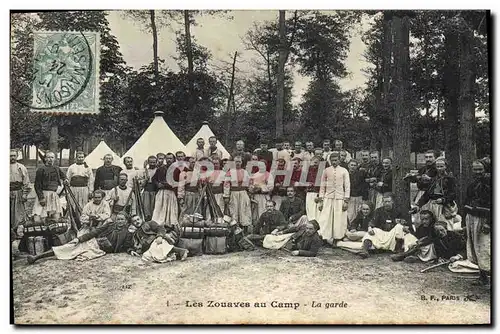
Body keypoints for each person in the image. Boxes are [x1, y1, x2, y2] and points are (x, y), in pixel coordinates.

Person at [27, 212, 133, 264]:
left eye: (122, 220)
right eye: (118, 219)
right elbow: (95, 232)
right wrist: (80, 239)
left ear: (126, 221)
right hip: (93, 242)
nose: (119, 221)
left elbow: (126, 246)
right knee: (68, 246)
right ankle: (37, 257)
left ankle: (38, 257)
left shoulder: (127, 232)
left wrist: (128, 250)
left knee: (72, 252)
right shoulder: (109, 225)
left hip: (99, 249)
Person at [464, 159, 491, 285]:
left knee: (485, 246)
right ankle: (483, 276)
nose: (478, 172)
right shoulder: (472, 184)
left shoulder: (490, 184)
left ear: (486, 169)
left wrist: (488, 223)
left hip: (484, 218)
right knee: (476, 246)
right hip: (472, 217)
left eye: (480, 169)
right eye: (475, 169)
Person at [317, 152, 350, 245]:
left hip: (340, 197)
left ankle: (337, 238)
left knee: (339, 218)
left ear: (339, 160)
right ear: (330, 161)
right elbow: (322, 186)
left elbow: (347, 186)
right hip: (328, 197)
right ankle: (324, 237)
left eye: (336, 160)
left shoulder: (344, 171)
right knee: (326, 218)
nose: (334, 162)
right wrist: (321, 200)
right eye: (332, 161)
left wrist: (346, 200)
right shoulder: (326, 170)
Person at [410, 157, 456, 222]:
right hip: (433, 205)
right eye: (438, 166)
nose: (439, 168)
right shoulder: (434, 179)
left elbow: (453, 194)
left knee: (444, 225)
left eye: (441, 166)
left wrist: (443, 199)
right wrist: (418, 205)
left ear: (445, 167)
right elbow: (427, 194)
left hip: (445, 206)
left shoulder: (449, 179)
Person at [33, 151, 68, 223]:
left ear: (54, 159)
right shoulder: (41, 170)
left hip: (54, 195)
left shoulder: (57, 168)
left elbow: (63, 176)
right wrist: (41, 198)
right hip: (44, 194)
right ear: (45, 159)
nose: (50, 159)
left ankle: (52, 232)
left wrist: (65, 179)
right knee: (40, 218)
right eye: (48, 157)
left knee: (56, 216)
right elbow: (37, 185)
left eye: (52, 157)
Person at [223, 156, 252, 233]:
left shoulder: (245, 172)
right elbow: (226, 185)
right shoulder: (229, 172)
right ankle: (234, 230)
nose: (238, 163)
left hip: (243, 193)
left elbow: (249, 183)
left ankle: (244, 230)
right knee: (234, 211)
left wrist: (250, 192)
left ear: (241, 162)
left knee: (244, 210)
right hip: (234, 193)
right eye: (236, 162)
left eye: (239, 161)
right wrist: (226, 196)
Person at [152, 153, 180, 225]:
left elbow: (178, 181)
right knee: (160, 208)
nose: (169, 160)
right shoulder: (160, 169)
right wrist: (158, 184)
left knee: (171, 209)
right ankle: (158, 224)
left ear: (174, 159)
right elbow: (154, 179)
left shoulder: (177, 170)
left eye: (170, 158)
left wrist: (170, 184)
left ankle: (170, 224)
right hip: (162, 192)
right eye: (167, 158)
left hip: (171, 192)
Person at [10, 149, 30, 239]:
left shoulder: (21, 167)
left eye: (14, 155)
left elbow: (26, 182)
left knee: (18, 214)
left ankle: (16, 233)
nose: (12, 157)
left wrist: (25, 194)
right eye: (10, 156)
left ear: (17, 156)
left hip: (18, 192)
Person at [305, 156, 322, 221]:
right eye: (313, 162)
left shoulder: (321, 171)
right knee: (309, 210)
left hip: (317, 193)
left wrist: (319, 195)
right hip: (309, 193)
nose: (315, 164)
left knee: (317, 211)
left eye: (316, 162)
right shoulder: (308, 170)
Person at [142, 155, 158, 221]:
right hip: (147, 190)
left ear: (156, 162)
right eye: (150, 162)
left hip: (155, 190)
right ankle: (147, 218)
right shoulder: (145, 171)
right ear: (148, 162)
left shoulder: (158, 170)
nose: (152, 164)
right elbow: (143, 184)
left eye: (154, 162)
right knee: (146, 206)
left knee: (153, 206)